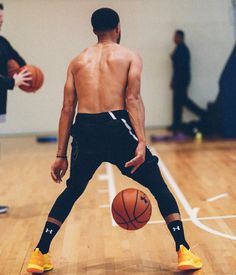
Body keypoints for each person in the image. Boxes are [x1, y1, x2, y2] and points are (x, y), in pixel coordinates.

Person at [26, 8, 203, 273]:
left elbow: (67, 108)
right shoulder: (129, 56)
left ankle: (39, 254)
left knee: (73, 190)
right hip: (116, 125)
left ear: (94, 30)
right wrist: (141, 141)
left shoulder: (77, 61)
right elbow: (132, 99)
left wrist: (60, 154)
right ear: (118, 28)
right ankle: (183, 251)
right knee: (158, 186)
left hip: (84, 128)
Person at [0, 3, 31, 214]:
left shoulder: (2, 42)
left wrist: (21, 74)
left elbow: (22, 63)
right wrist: (12, 82)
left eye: (2, 19)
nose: (1, 22)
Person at [168, 30, 205, 133]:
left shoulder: (182, 49)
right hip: (180, 79)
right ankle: (176, 124)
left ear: (180, 37)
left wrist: (175, 80)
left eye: (175, 37)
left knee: (182, 101)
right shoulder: (179, 49)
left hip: (182, 79)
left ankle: (203, 114)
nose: (174, 39)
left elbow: (181, 67)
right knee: (178, 102)